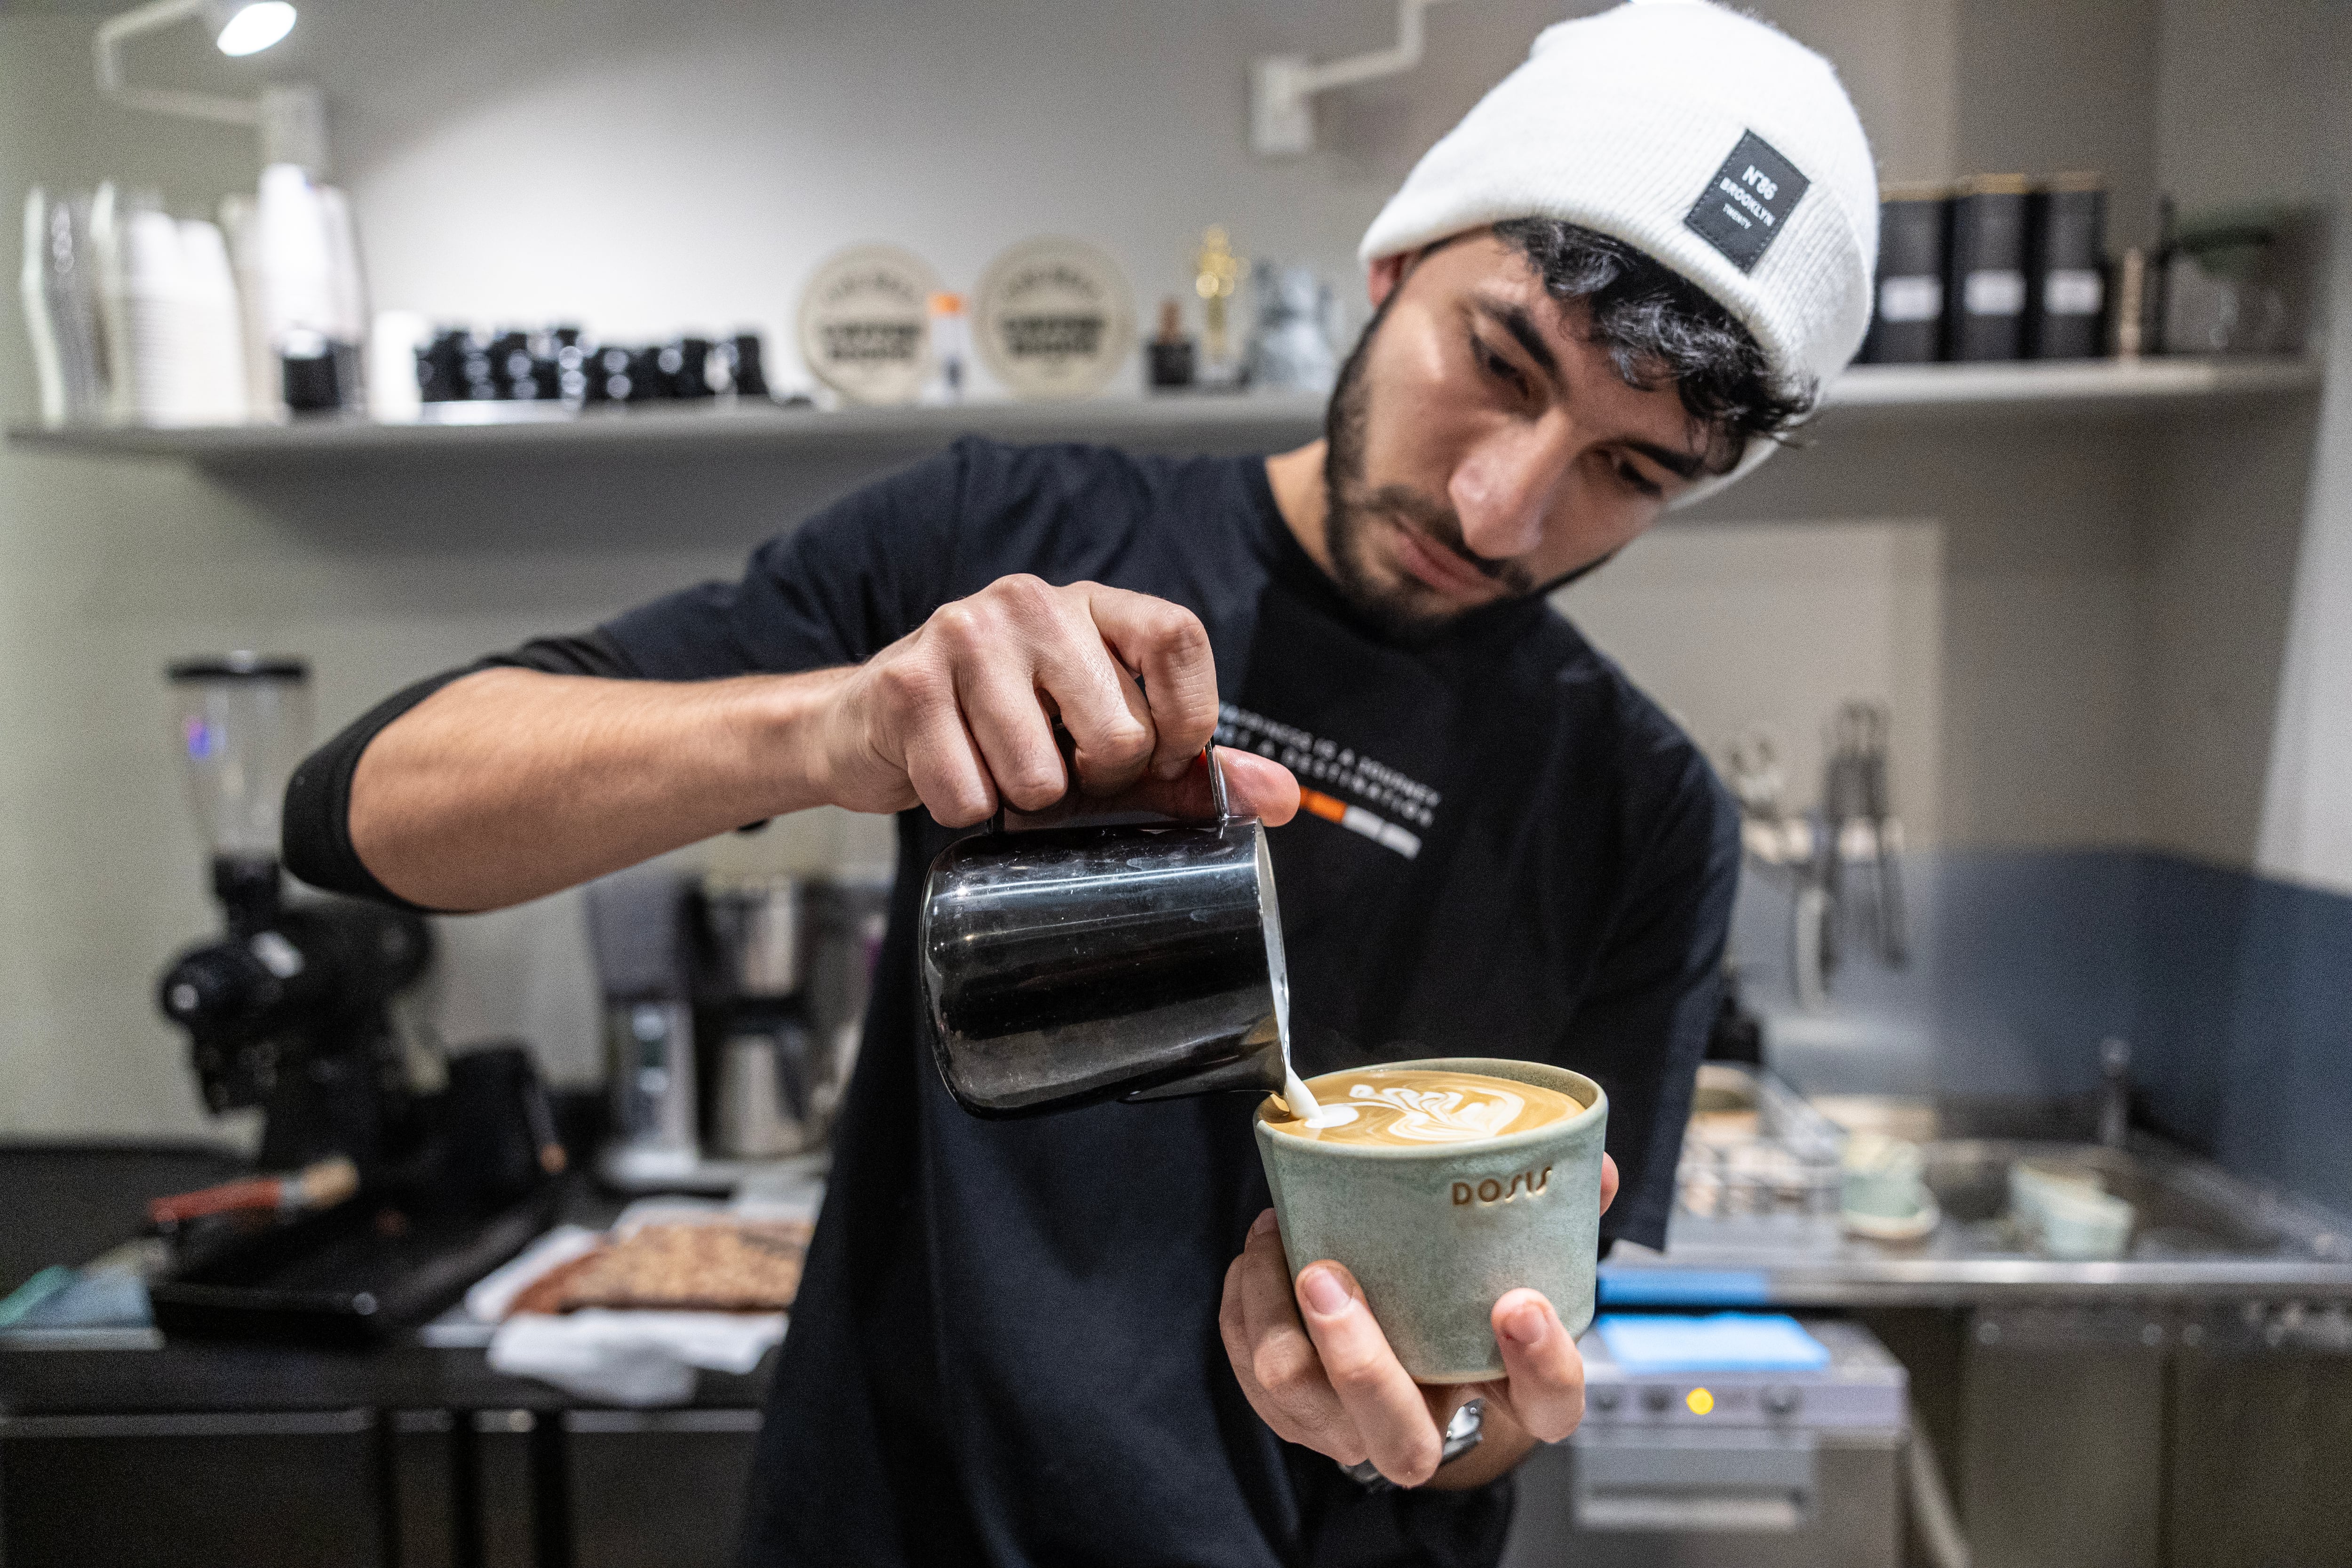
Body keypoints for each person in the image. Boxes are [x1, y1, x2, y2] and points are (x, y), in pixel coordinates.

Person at [284, 1, 1875, 1561]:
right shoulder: (1002, 538)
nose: (1500, 510)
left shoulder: (1643, 812)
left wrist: (1431, 1424)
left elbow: (1515, 1379)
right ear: (1393, 265)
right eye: (1501, 363)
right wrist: (830, 728)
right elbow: (364, 811)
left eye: (1628, 470)